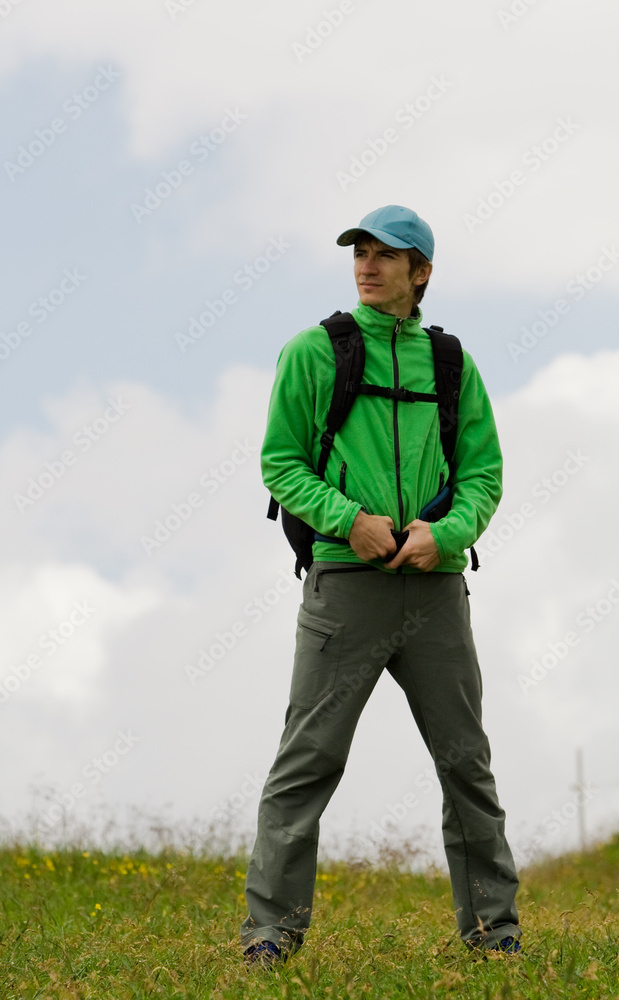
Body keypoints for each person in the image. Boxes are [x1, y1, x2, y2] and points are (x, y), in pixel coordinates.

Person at [240, 205, 521, 966]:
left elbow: (483, 475)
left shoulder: (453, 365)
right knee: (308, 760)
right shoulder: (313, 353)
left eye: (386, 255)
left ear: (420, 272)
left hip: (435, 591)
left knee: (466, 764)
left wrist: (445, 534)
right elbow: (279, 462)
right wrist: (349, 519)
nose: (367, 265)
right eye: (360, 252)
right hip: (343, 583)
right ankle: (270, 934)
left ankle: (495, 934)